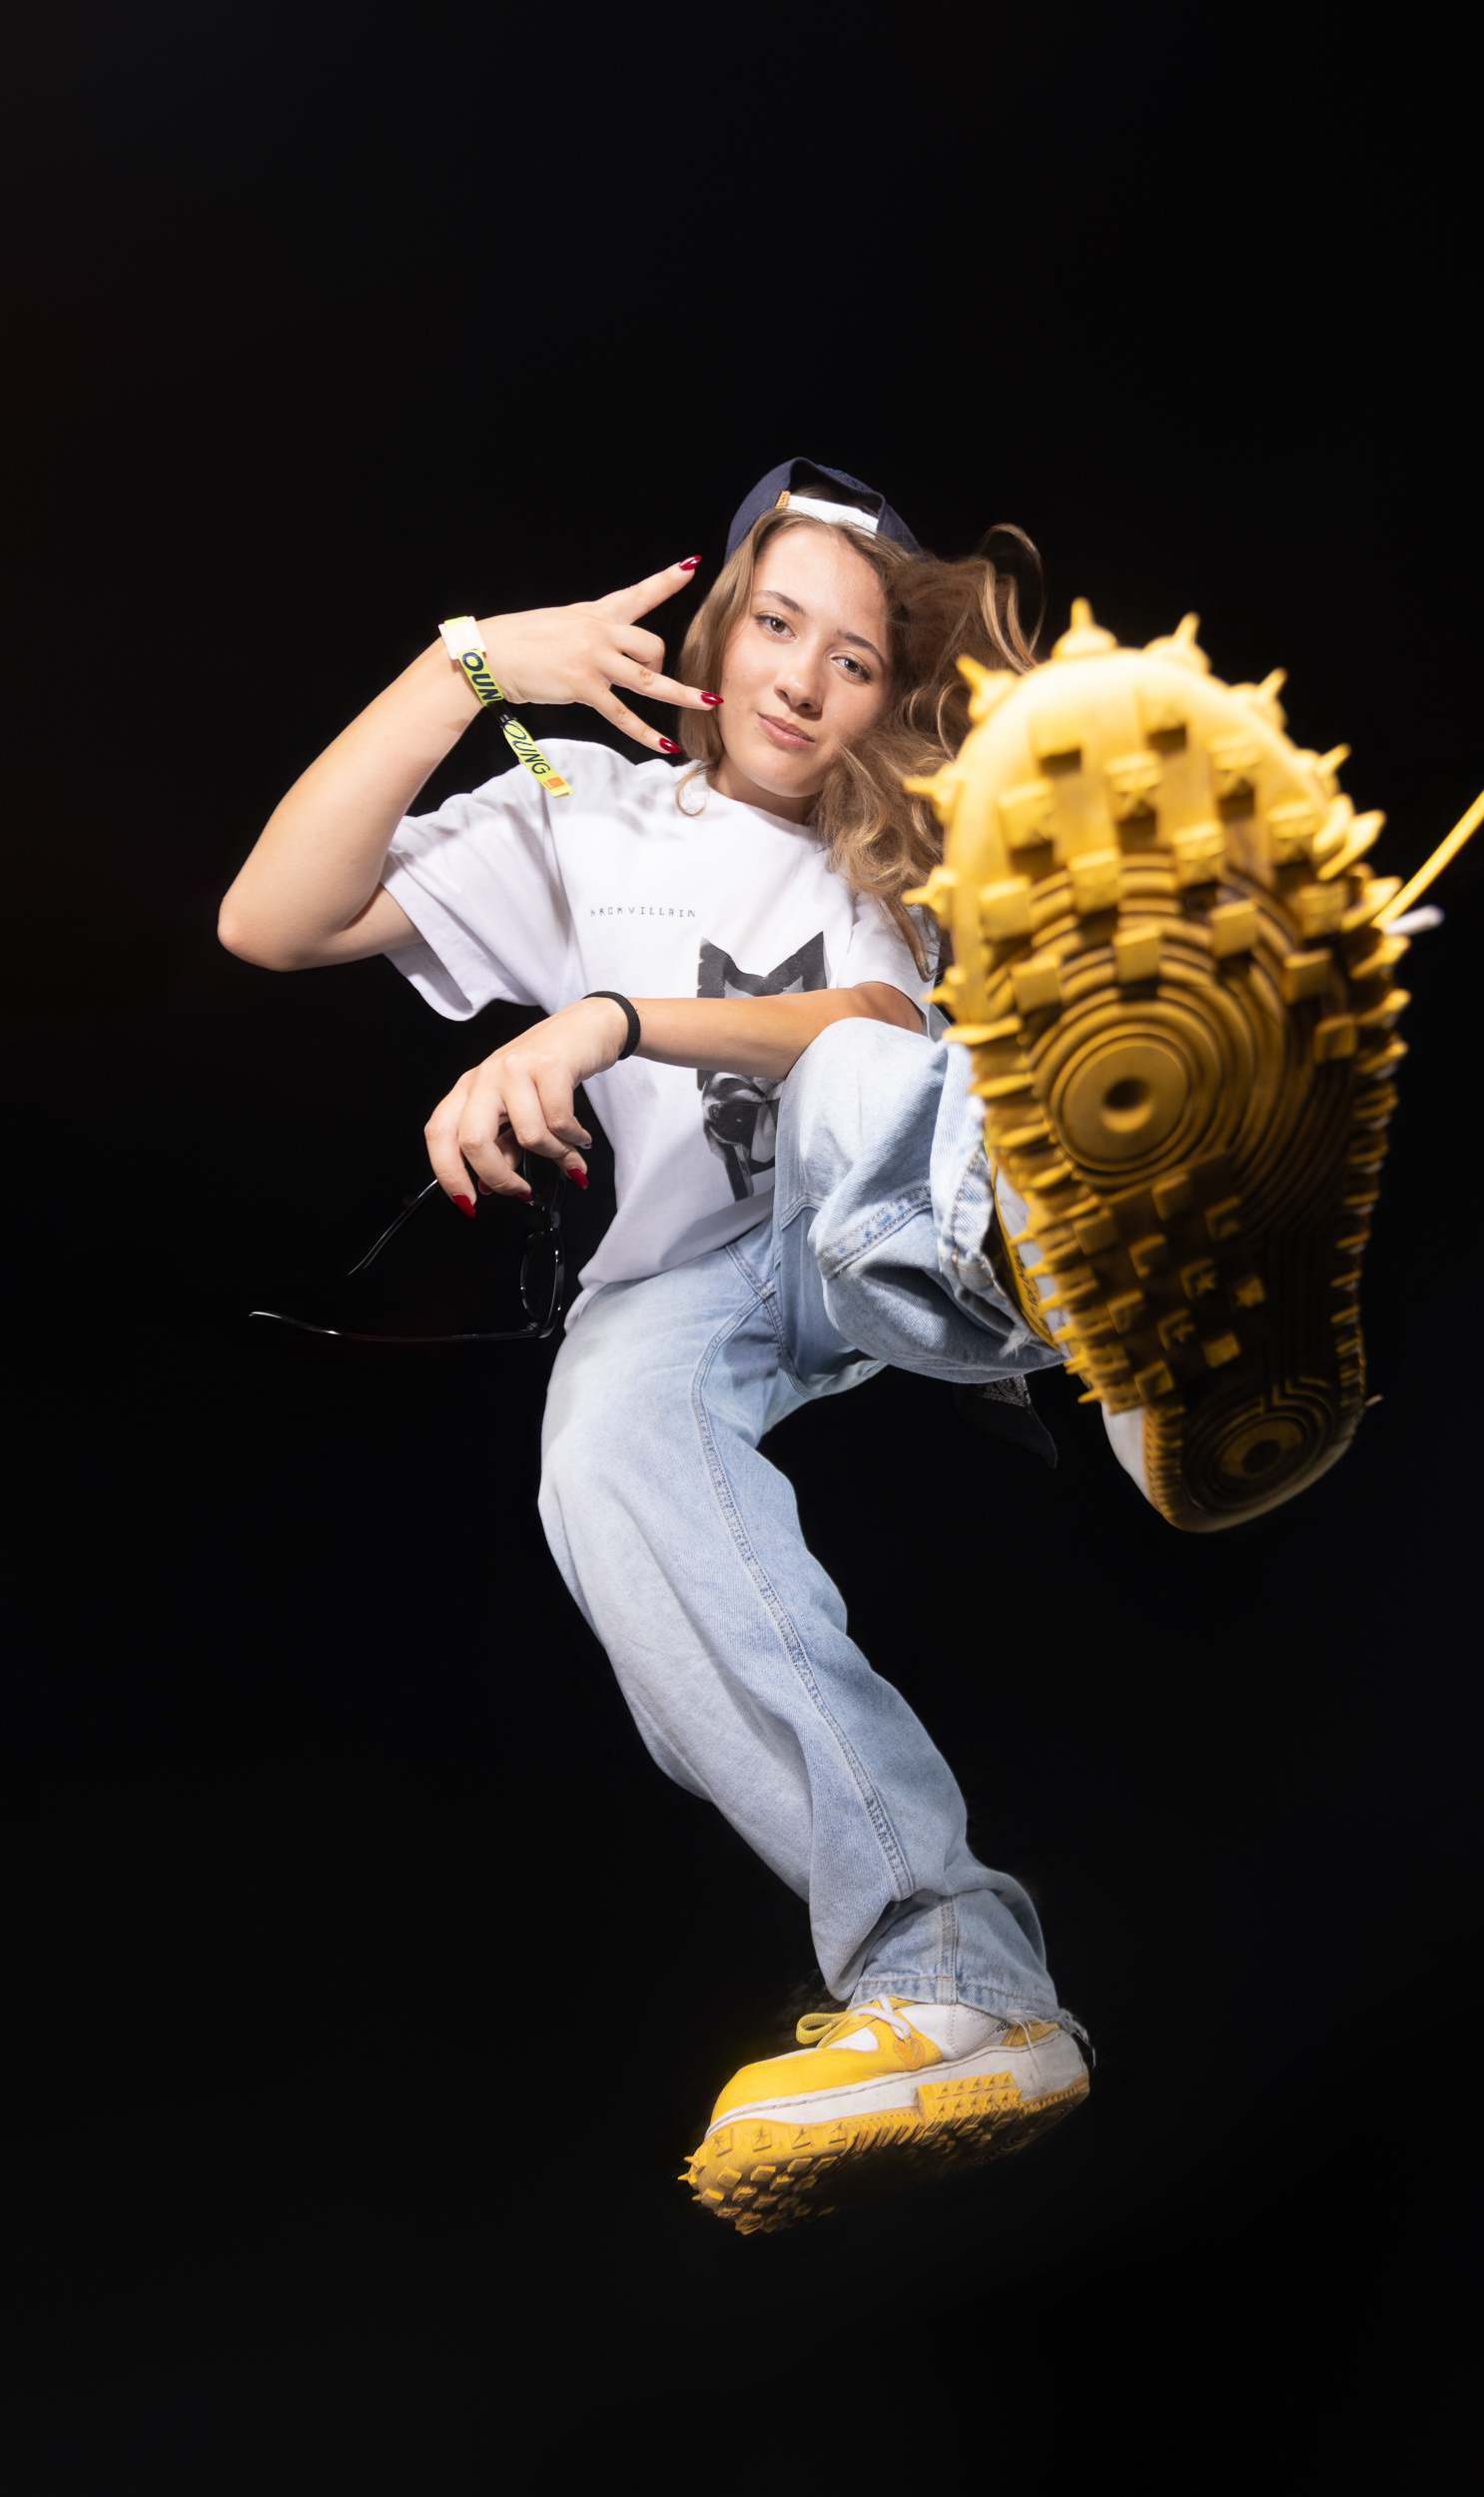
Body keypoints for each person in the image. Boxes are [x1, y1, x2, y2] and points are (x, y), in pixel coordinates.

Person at [220, 459, 1096, 2233]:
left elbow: (874, 1020)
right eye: (777, 625)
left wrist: (610, 1020)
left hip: (903, 1208)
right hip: (711, 1279)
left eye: (856, 660)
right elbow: (272, 920)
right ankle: (957, 1983)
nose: (804, 681)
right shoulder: (593, 817)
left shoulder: (908, 851)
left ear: (886, 699)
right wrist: (467, 667)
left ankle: (1115, 1293)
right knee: (604, 1437)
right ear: (716, 632)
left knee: (863, 1076)